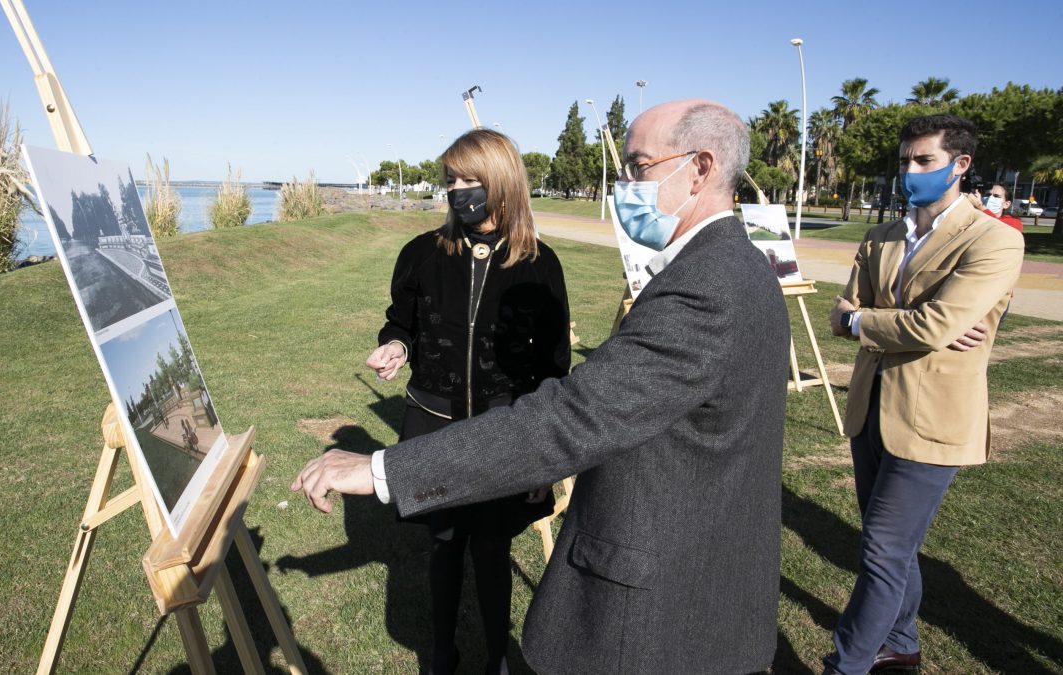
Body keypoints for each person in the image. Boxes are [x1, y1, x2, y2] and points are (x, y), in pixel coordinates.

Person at [294, 100, 790, 674]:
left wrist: (380, 469)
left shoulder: (706, 286)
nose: (623, 184)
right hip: (696, 581)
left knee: (490, 548)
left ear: (700, 168)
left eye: (637, 165)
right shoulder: (740, 267)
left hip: (658, 612)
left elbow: (572, 414)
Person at [364, 128, 570, 675]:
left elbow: (553, 365)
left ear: (501, 185)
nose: (457, 190)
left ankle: (498, 657)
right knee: (446, 540)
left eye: (470, 180)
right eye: (451, 179)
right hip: (433, 420)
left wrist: (541, 453)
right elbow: (401, 321)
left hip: (506, 427)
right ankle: (441, 652)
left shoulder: (540, 265)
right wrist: (395, 346)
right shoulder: (421, 254)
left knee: (491, 544)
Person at [827, 115, 1024, 675]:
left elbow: (934, 325)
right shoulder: (880, 236)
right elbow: (842, 317)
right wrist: (895, 322)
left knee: (882, 553)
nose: (910, 172)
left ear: (959, 166)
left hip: (934, 420)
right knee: (891, 544)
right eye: (905, 161)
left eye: (924, 162)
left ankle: (848, 664)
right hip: (870, 410)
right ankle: (902, 643)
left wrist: (873, 320)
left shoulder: (996, 238)